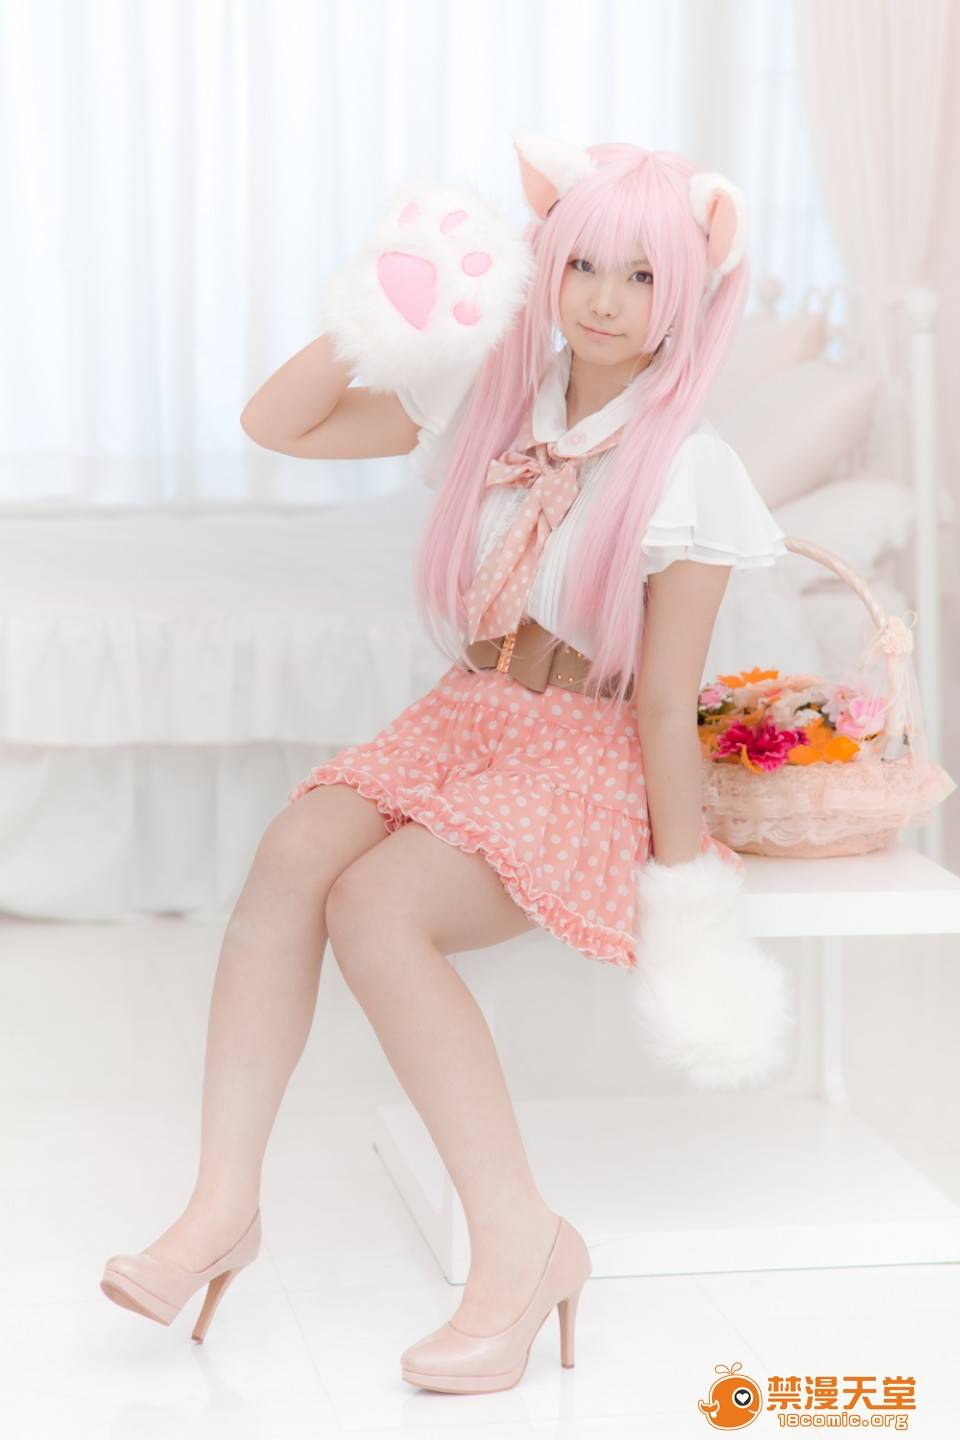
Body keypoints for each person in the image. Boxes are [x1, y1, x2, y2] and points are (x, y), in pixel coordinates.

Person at [100, 132, 790, 1391]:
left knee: (377, 906)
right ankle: (220, 1206)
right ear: (544, 262)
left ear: (691, 289)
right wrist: (386, 301)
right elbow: (277, 422)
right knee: (291, 854)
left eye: (644, 275)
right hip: (466, 712)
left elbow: (666, 699)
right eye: (582, 263)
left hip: (587, 747)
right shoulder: (496, 397)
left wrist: (687, 893)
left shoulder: (692, 465)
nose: (605, 299)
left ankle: (521, 1244)